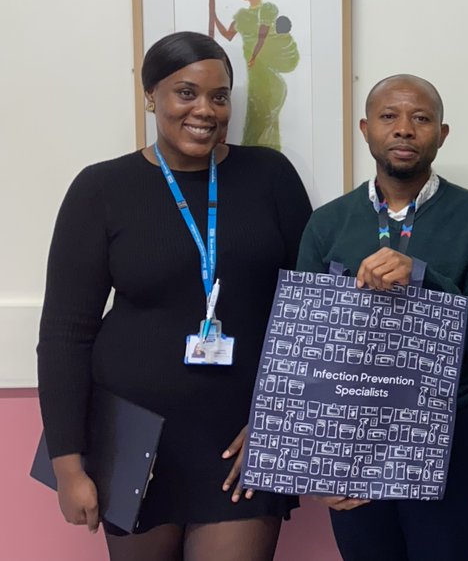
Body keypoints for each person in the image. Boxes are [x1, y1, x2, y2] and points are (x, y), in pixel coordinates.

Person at [37, 31, 312, 559]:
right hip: (134, 440)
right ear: (151, 97)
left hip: (241, 438)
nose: (205, 110)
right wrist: (68, 464)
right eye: (186, 93)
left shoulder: (270, 176)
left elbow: (306, 313)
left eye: (220, 96)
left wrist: (278, 419)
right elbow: (65, 334)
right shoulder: (101, 189)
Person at [296, 74, 468, 561]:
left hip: (446, 430)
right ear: (365, 128)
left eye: (421, 118)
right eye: (389, 117)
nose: (405, 129)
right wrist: (320, 458)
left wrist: (423, 277)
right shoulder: (328, 222)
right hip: (350, 432)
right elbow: (304, 348)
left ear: (442, 132)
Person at [209, 0, 300, 151]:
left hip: (267, 77)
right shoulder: (242, 15)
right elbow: (227, 34)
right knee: (255, 120)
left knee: (262, 122)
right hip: (254, 75)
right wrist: (214, 14)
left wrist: (253, 56)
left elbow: (262, 36)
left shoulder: (267, 10)